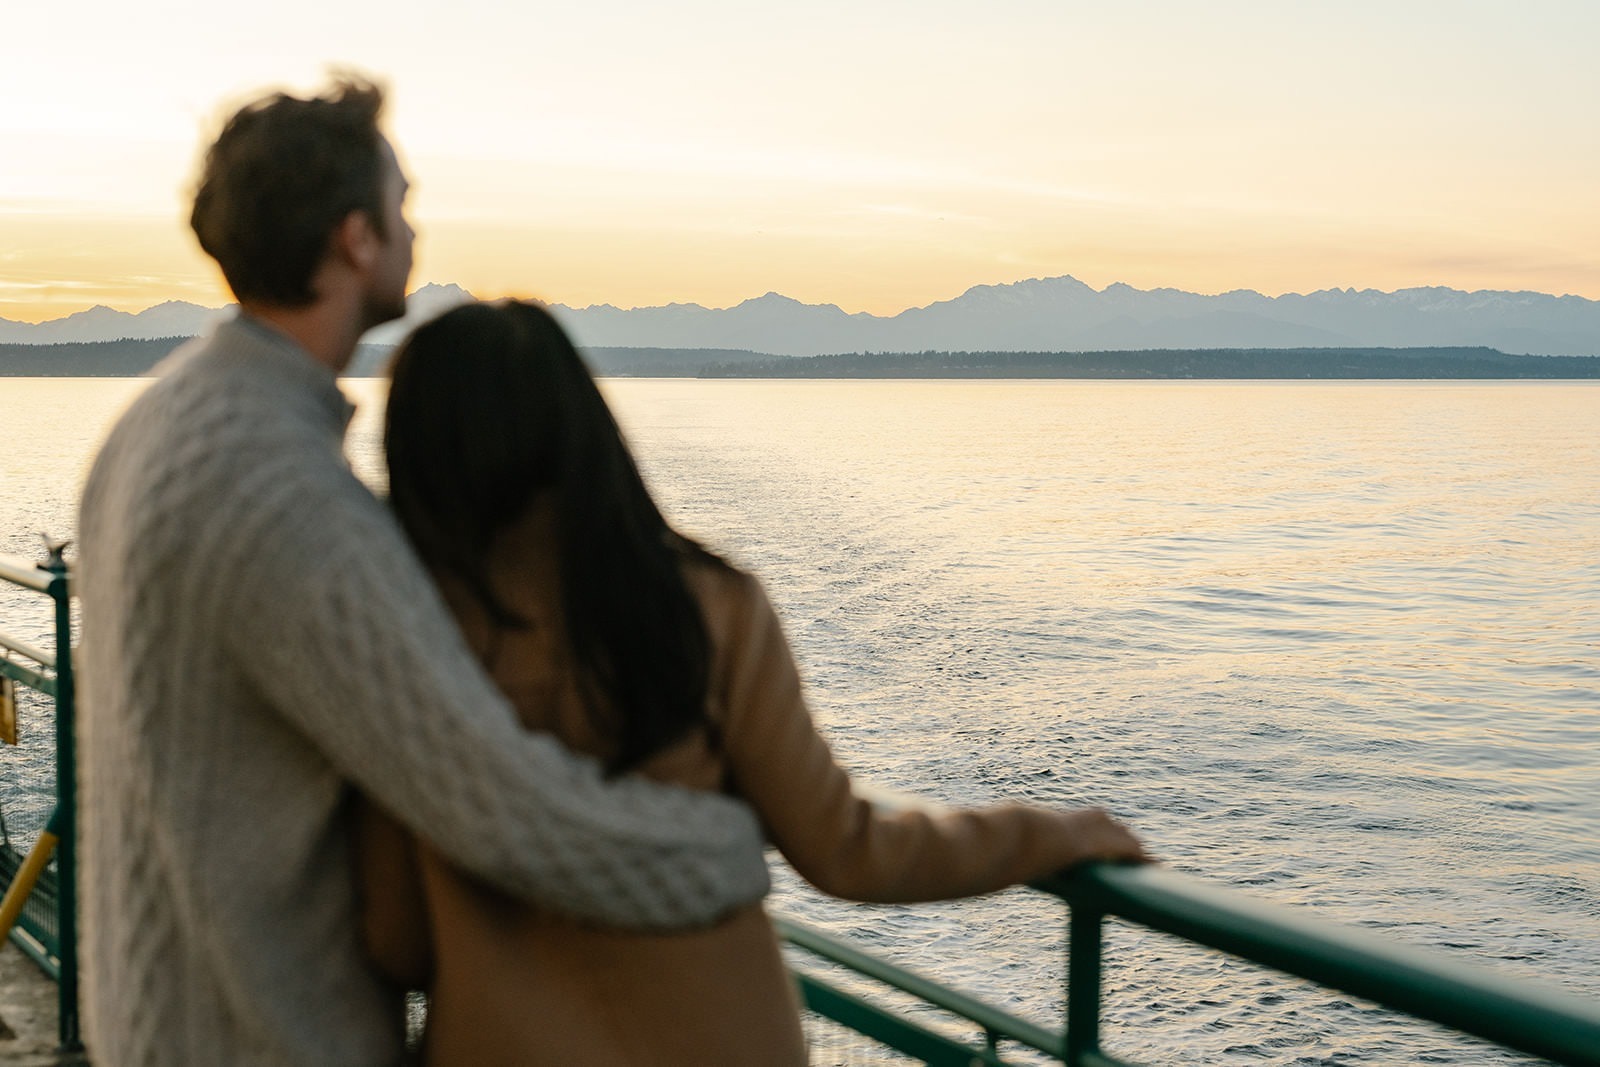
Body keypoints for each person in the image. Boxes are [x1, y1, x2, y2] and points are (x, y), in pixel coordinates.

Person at [74, 77, 769, 1065]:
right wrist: (726, 850)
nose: (415, 230)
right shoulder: (286, 501)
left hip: (155, 1021)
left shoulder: (156, 422)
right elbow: (504, 805)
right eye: (403, 205)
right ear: (355, 238)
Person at [361, 300, 1149, 1064]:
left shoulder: (406, 647)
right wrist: (1051, 833)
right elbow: (847, 850)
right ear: (585, 433)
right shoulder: (706, 607)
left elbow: (394, 935)